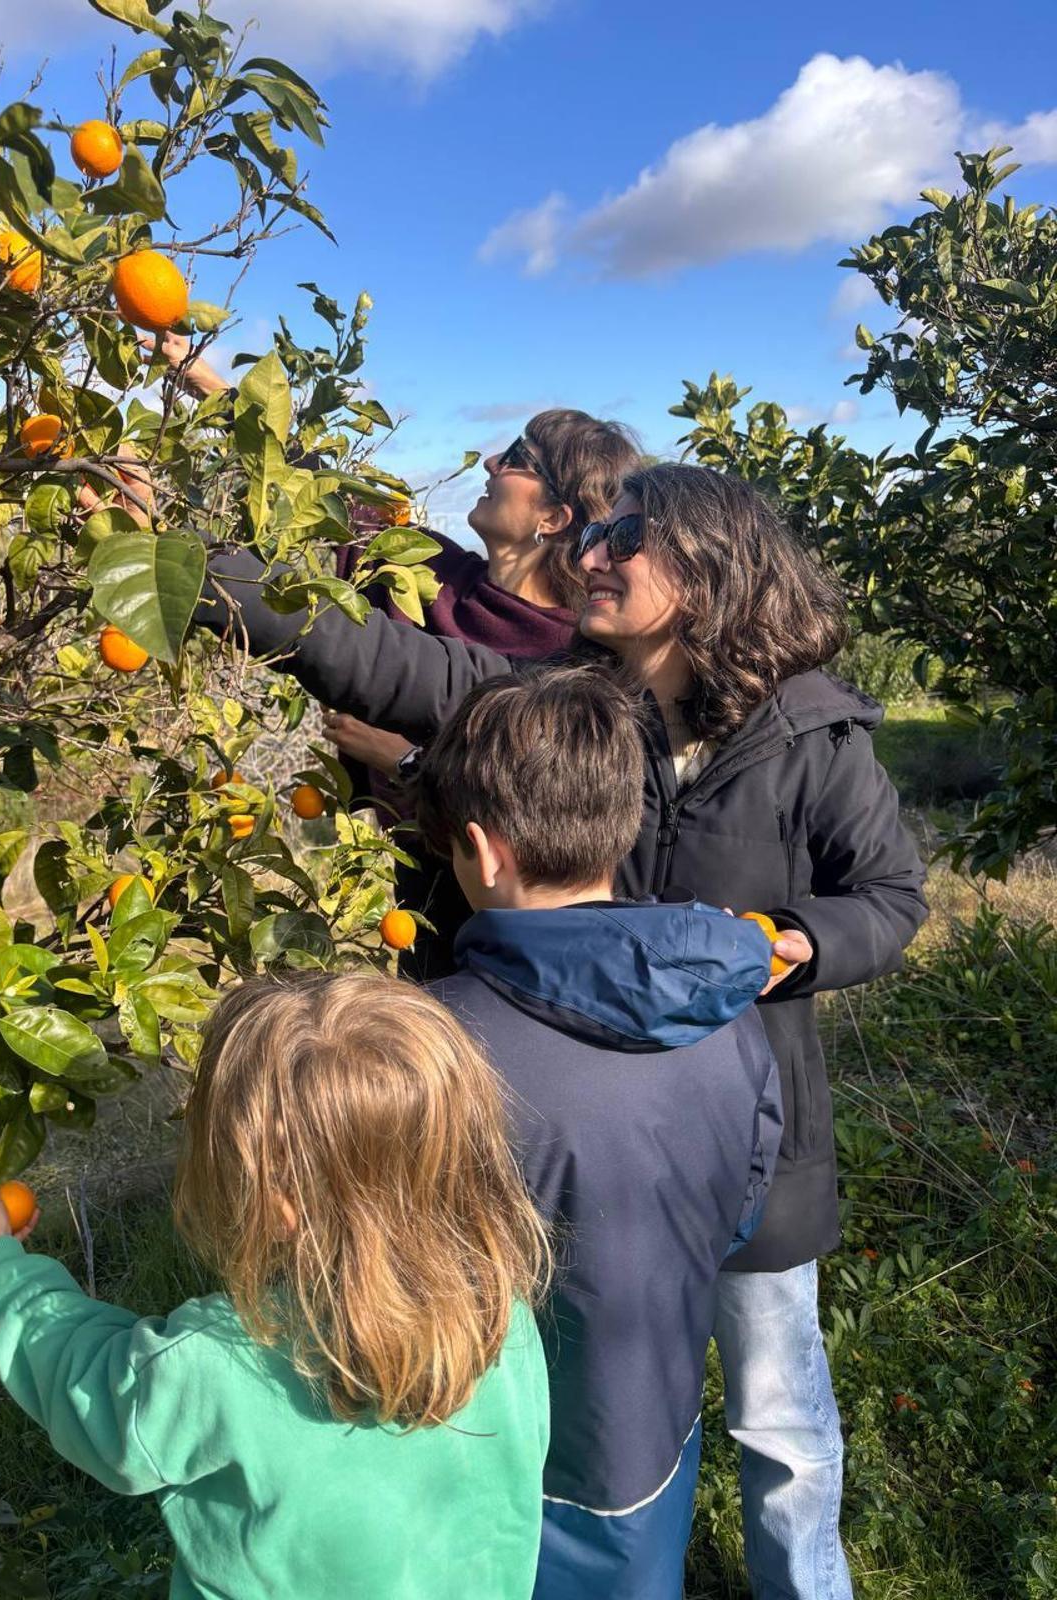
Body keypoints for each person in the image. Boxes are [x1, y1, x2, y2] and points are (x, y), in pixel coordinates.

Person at [196, 462, 930, 1598]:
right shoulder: (576, 705)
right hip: (579, 1135)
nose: (590, 553)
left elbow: (887, 899)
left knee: (781, 1417)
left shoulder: (815, 737)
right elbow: (395, 661)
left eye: (626, 536)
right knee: (595, 1400)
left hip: (743, 1121)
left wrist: (768, 944)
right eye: (594, 531)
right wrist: (191, 569)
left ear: (710, 567)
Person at [0, 973, 552, 1600]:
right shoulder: (498, 1316)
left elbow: (90, 1385)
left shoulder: (222, 1358)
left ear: (276, 1199)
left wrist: (5, 1264)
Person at [412, 664, 783, 1597]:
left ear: (483, 851)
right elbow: (738, 1206)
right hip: (652, 1432)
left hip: (498, 1468)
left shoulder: (434, 1047)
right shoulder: (726, 1008)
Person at [150, 331, 638, 978]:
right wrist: (204, 382)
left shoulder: (567, 656)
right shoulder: (421, 565)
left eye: (518, 457)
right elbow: (313, 481)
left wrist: (404, 762)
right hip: (413, 879)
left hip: (508, 913)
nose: (492, 463)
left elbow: (531, 795)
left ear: (551, 517)